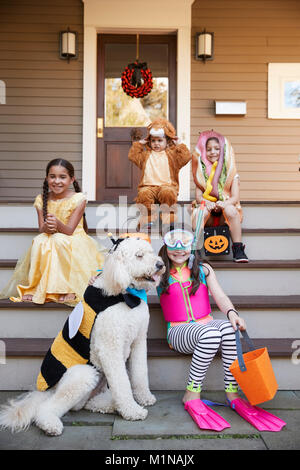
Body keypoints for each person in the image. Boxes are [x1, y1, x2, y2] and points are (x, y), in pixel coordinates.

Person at [156, 229, 285, 432]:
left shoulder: (203, 268)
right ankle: (192, 392)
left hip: (205, 324)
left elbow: (220, 296)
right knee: (210, 333)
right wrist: (98, 277)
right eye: (174, 246)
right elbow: (131, 277)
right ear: (166, 248)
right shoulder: (159, 270)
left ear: (191, 247)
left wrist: (233, 314)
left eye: (184, 246)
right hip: (179, 331)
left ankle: (232, 393)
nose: (179, 251)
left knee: (227, 328)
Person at [0, 159, 105, 305]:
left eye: (62, 177)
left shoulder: (78, 199)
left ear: (71, 179)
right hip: (51, 237)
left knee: (59, 240)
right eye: (52, 176)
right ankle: (35, 286)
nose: (57, 181)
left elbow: (69, 231)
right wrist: (47, 227)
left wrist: (57, 224)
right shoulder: (41, 200)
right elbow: (41, 228)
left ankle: (66, 288)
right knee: (40, 240)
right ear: (46, 178)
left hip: (73, 238)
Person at [191, 130, 248, 262]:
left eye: (217, 149)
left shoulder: (232, 173)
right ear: (204, 153)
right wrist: (207, 203)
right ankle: (196, 250)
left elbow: (235, 198)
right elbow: (199, 197)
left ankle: (238, 249)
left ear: (224, 152)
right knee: (201, 212)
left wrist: (224, 204)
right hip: (208, 211)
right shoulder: (201, 174)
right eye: (209, 149)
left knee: (230, 210)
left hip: (225, 214)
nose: (213, 152)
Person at [128, 118, 191, 231]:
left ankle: (168, 218)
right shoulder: (145, 155)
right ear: (149, 141)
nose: (156, 143)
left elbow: (185, 158)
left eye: (160, 140)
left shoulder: (172, 155)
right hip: (148, 186)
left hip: (166, 186)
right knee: (143, 195)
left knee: (168, 193)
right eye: (153, 141)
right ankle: (148, 217)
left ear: (167, 141)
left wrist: (180, 145)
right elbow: (133, 156)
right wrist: (139, 144)